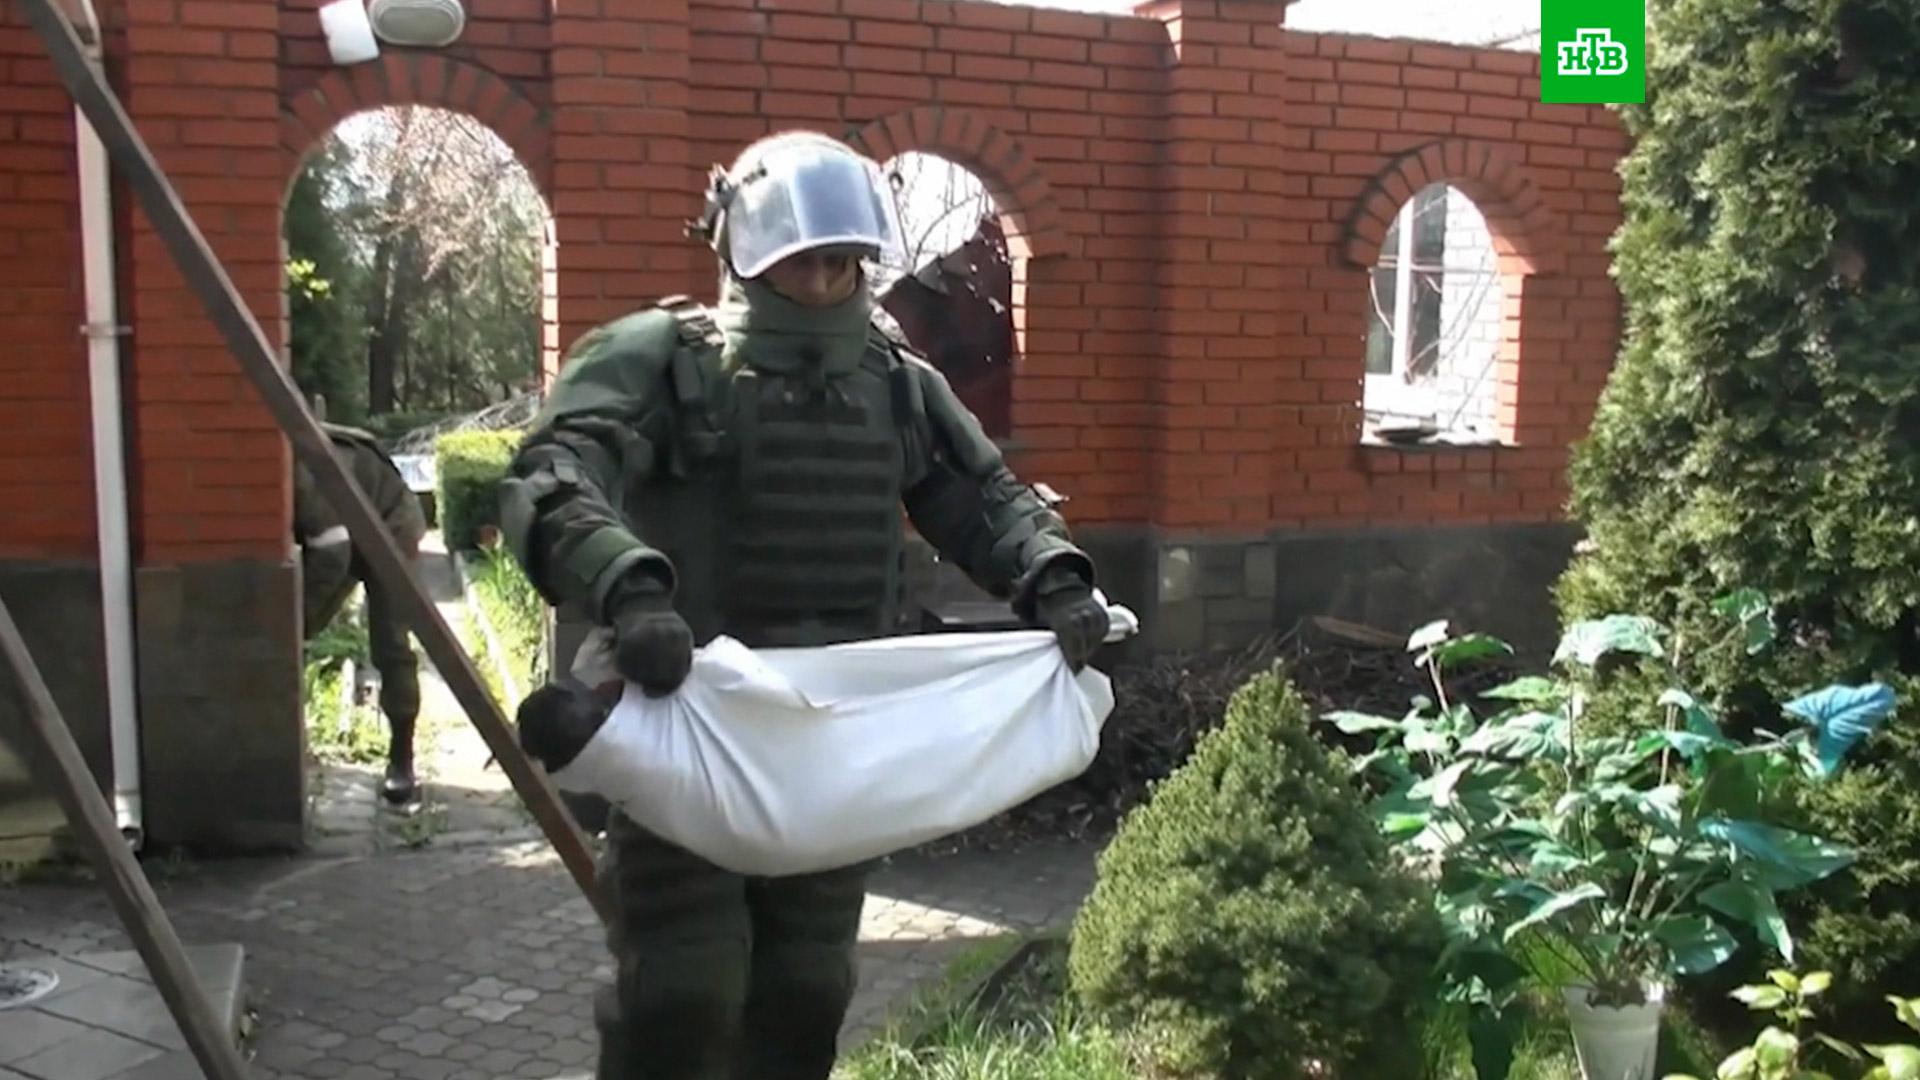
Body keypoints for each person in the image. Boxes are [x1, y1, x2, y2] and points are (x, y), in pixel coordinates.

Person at [499, 130, 1111, 1080]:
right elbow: (555, 472)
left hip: (831, 738)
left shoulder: (895, 382)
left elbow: (978, 495)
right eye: (799, 261)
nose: (822, 282)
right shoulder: (660, 357)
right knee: (683, 991)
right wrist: (629, 586)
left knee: (807, 989)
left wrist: (1053, 573)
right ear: (743, 254)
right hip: (687, 717)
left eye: (841, 261)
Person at [294, 421, 428, 806]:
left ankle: (402, 758)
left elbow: (332, 559)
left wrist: (300, 622)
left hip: (391, 521)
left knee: (390, 642)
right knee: (299, 628)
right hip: (345, 529)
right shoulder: (274, 462)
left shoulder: (303, 469)